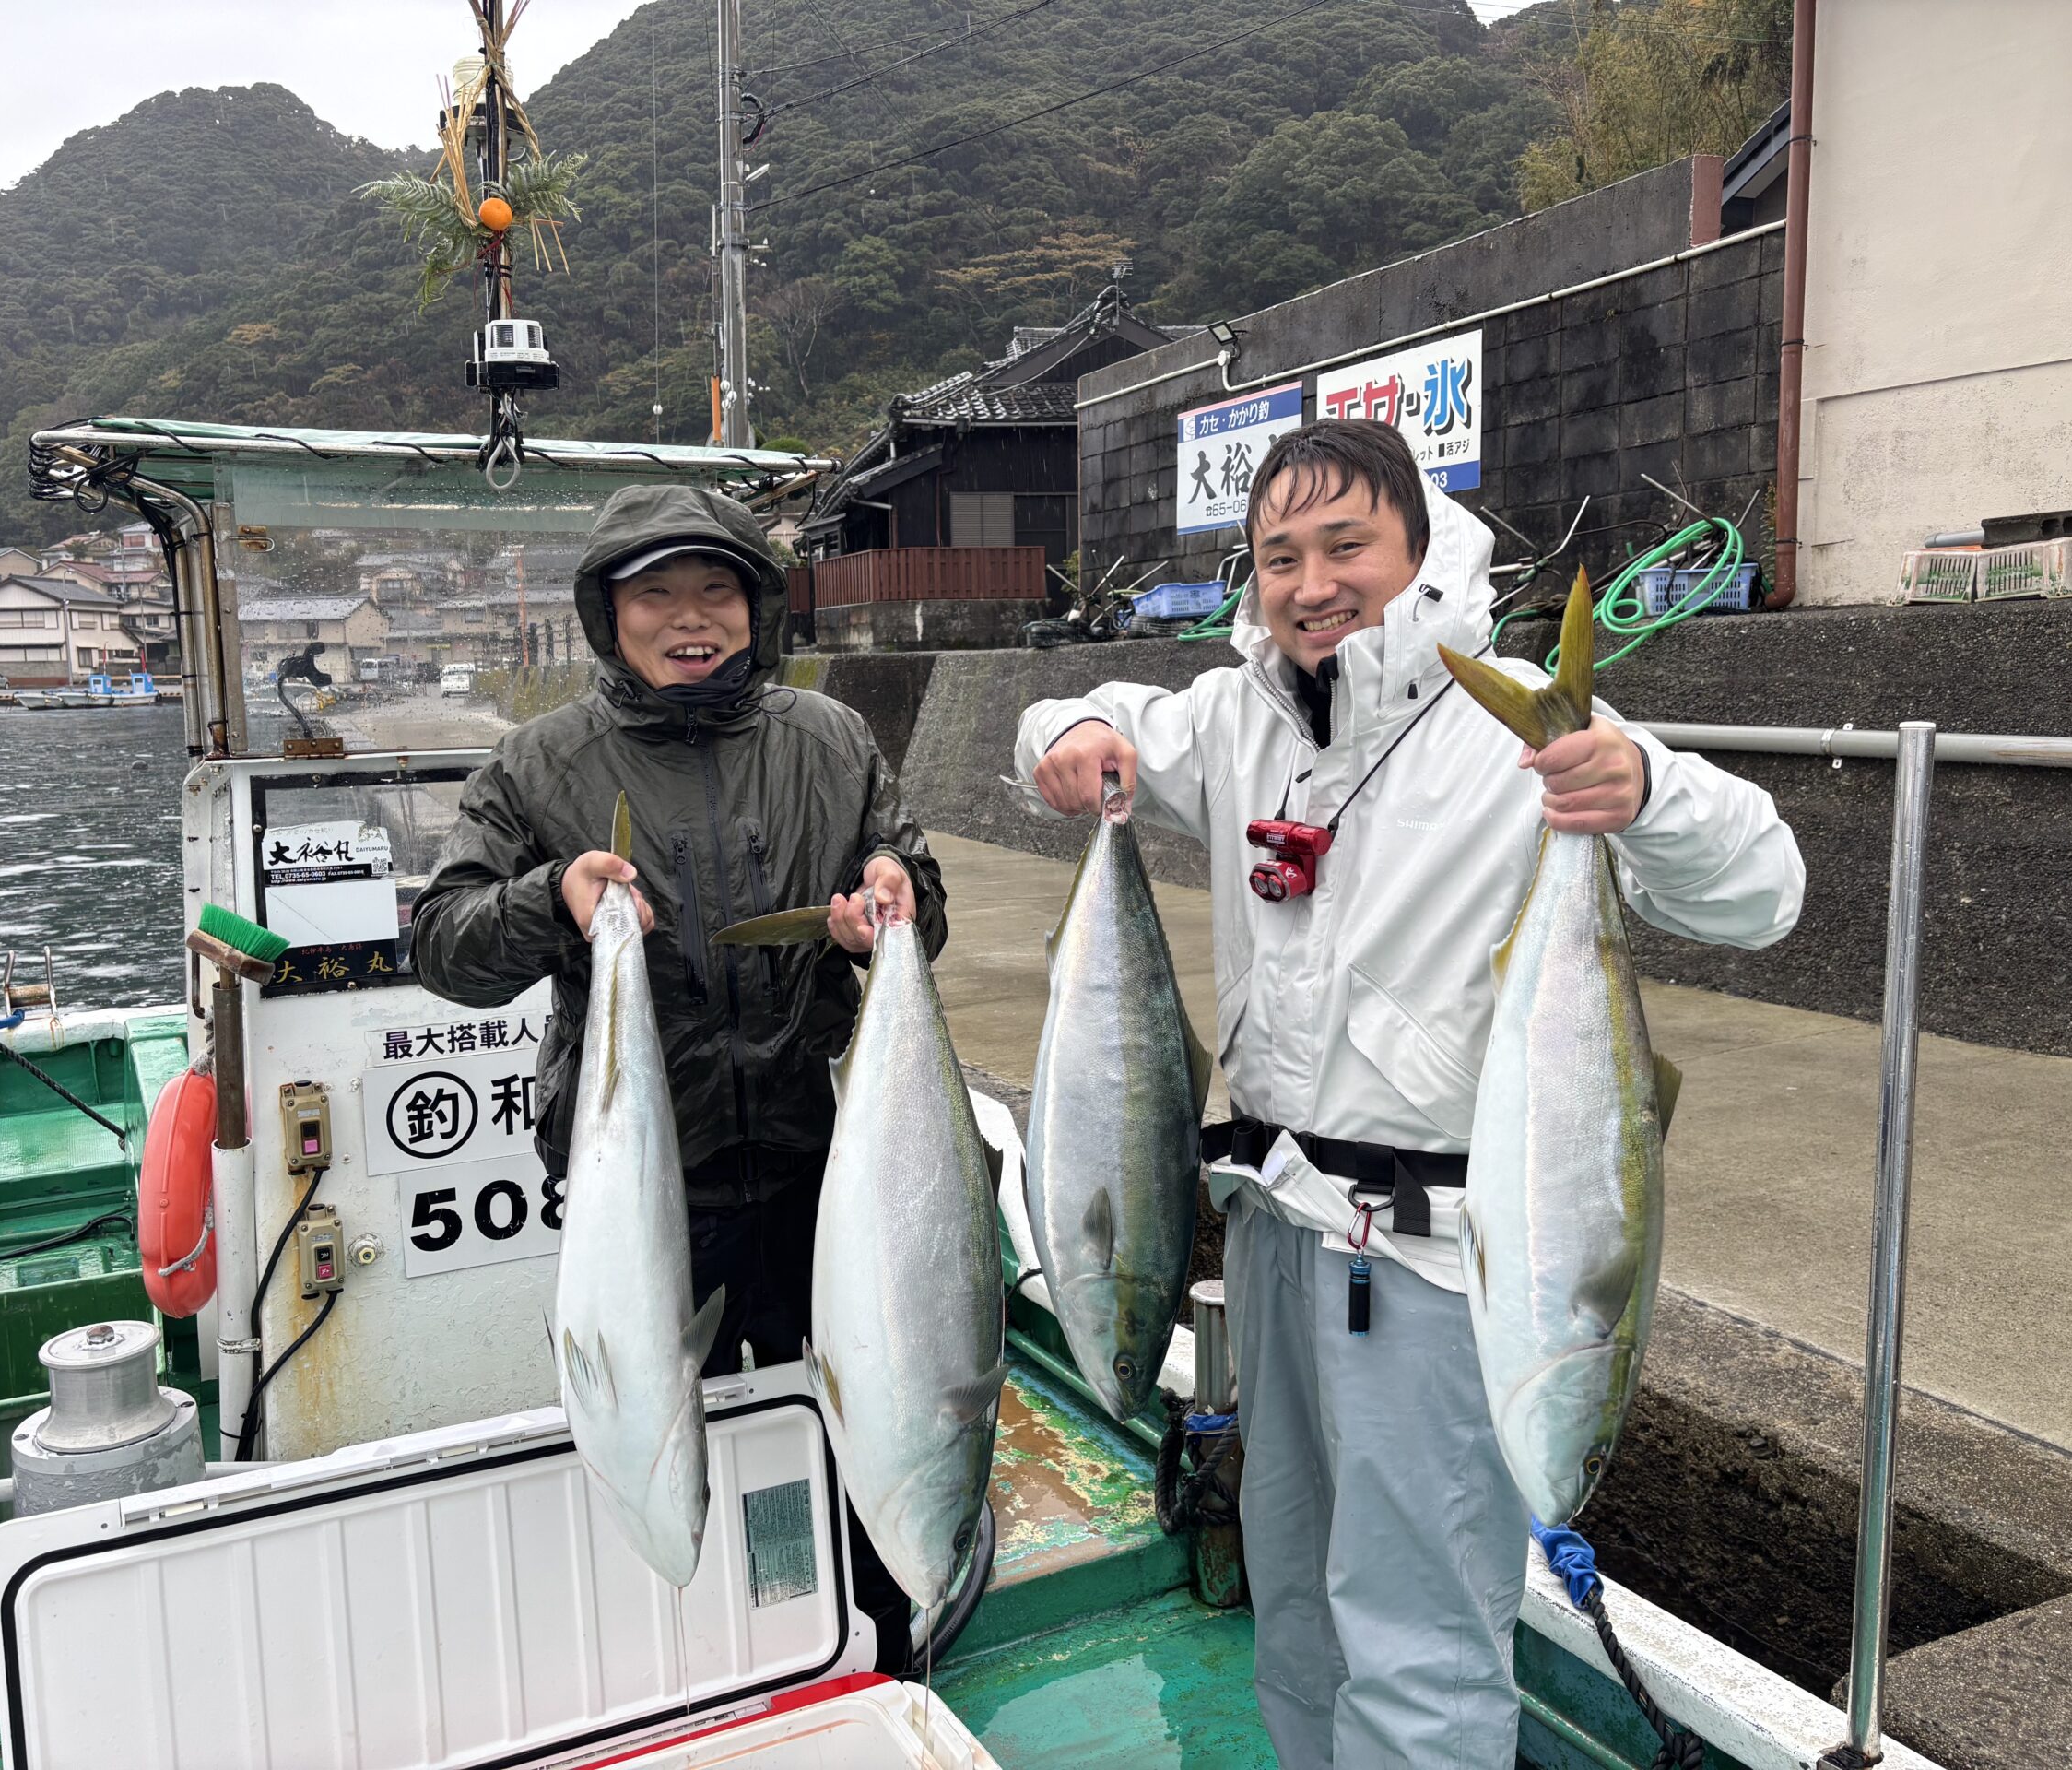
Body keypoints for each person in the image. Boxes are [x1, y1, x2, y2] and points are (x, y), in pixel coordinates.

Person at [1016, 419, 1804, 1767]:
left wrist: (1648, 789)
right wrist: (1075, 727)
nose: (1310, 582)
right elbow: (1071, 724)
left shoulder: (1520, 726)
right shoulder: (1234, 715)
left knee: (1421, 1636)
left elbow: (1763, 890)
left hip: (1433, 1265)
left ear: (1421, 551)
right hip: (1271, 1232)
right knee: (1300, 1607)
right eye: (1278, 556)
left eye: (1345, 547)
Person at [411, 482, 945, 1670]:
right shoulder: (542, 762)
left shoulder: (829, 739)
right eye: (656, 593)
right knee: (659, 1430)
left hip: (822, 1169)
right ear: (610, 613)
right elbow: (442, 944)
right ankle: (702, 1667)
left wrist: (894, 900)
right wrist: (552, 900)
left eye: (717, 588)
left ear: (757, 607)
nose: (689, 617)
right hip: (649, 1190)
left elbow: (910, 874)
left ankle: (879, 1643)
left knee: (860, 1413)